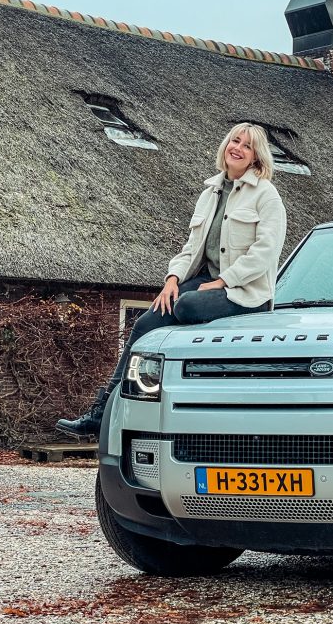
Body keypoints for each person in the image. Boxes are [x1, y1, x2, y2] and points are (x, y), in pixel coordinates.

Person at [56, 123, 287, 437]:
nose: (238, 148)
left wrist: (225, 281)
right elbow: (191, 247)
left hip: (244, 292)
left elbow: (266, 251)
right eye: (235, 141)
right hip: (205, 281)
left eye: (247, 146)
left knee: (188, 306)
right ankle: (102, 413)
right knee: (146, 322)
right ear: (226, 144)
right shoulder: (210, 193)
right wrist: (172, 279)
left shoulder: (266, 194)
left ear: (256, 156)